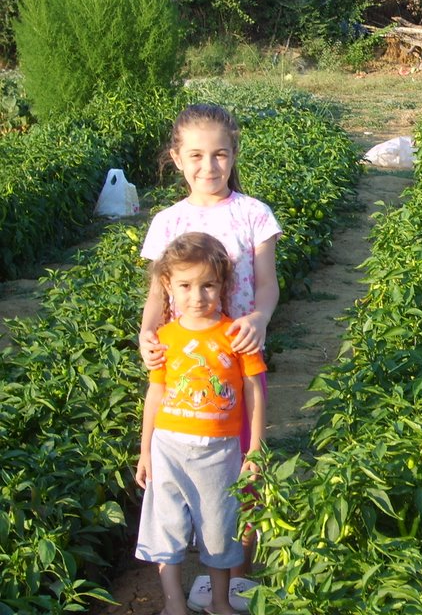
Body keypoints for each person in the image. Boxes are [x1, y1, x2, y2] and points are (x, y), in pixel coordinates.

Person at [138, 103, 281, 611]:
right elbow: (157, 295)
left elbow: (266, 287)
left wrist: (259, 320)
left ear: (233, 154)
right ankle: (193, 575)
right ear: (177, 158)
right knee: (182, 476)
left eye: (220, 154)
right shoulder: (168, 220)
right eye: (196, 155)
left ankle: (233, 581)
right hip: (185, 365)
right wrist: (146, 333)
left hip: (238, 360)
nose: (209, 166)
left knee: (244, 471)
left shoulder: (253, 213)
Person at [135, 232, 267, 615]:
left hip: (220, 450)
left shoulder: (237, 336)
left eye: (208, 285)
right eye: (185, 285)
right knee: (167, 525)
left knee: (219, 527)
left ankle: (219, 603)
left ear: (223, 285)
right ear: (168, 286)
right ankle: (174, 602)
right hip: (169, 448)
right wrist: (145, 451)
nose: (197, 296)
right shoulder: (164, 338)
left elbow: (254, 391)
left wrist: (254, 448)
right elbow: (155, 395)